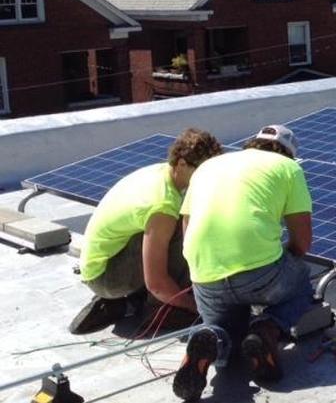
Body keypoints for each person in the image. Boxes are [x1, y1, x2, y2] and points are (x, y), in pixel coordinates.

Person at [173, 125, 314, 401]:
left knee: (227, 330)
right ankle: (267, 330)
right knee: (302, 284)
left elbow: (187, 228)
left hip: (205, 273)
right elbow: (302, 242)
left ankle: (210, 340)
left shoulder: (208, 166)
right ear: (288, 153)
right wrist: (281, 261)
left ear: (251, 144)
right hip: (260, 274)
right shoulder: (288, 168)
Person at [70, 128, 223, 335]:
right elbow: (156, 283)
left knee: (175, 223)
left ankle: (123, 305)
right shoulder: (163, 205)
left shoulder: (161, 172)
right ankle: (159, 310)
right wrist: (198, 307)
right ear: (182, 164)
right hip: (107, 277)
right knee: (186, 225)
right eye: (202, 171)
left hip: (100, 267)